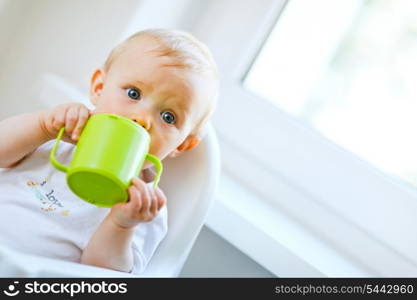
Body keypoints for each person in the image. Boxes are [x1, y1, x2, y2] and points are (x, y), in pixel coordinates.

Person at [0, 28, 219, 274]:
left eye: (168, 117)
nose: (142, 118)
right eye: (134, 93)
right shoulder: (56, 140)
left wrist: (122, 225)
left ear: (182, 144)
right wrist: (42, 126)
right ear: (99, 88)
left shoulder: (143, 206)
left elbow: (105, 277)